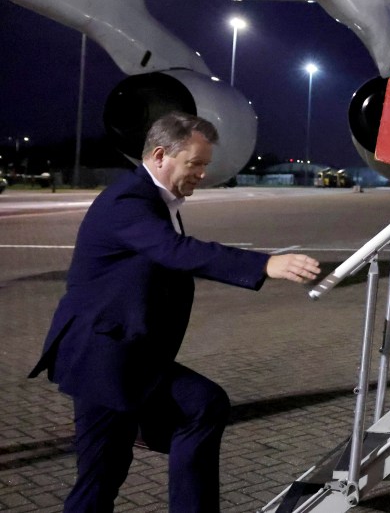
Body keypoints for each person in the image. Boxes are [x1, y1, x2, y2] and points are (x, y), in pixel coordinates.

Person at [29, 112, 322, 513]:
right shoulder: (127, 201)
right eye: (195, 164)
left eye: (204, 164)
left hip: (131, 356)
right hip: (101, 358)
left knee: (201, 407)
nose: (202, 173)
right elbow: (176, 252)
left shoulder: (158, 201)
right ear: (161, 155)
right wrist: (264, 265)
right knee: (100, 478)